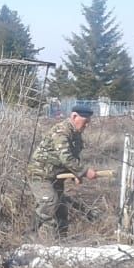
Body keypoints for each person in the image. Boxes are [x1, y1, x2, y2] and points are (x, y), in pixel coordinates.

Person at [26, 103, 97, 240]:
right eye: (85, 122)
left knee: (61, 209)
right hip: (40, 174)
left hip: (56, 176)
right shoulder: (62, 131)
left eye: (88, 122)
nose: (86, 125)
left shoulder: (76, 135)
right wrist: (84, 171)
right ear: (74, 116)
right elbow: (65, 157)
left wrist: (76, 175)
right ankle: (34, 237)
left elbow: (73, 157)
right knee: (49, 203)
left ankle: (61, 243)